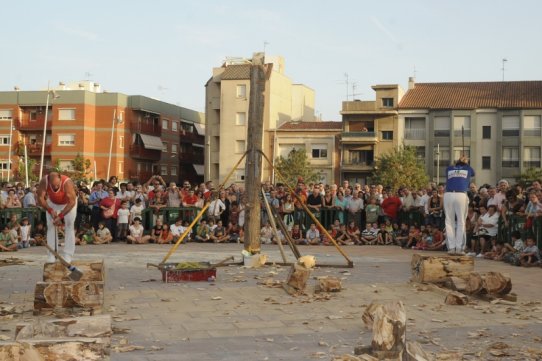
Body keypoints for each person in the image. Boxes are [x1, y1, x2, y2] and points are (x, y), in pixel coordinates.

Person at [37, 171, 77, 263]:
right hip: (52, 202)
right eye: (53, 185)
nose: (55, 187)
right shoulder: (44, 181)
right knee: (50, 225)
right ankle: (52, 254)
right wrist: (50, 210)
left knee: (69, 225)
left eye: (57, 185)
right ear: (49, 180)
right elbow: (40, 198)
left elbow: (72, 202)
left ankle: (67, 254)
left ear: (60, 178)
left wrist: (61, 216)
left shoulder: (67, 182)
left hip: (68, 203)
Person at [443, 155, 475, 255]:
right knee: (461, 221)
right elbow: (473, 173)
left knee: (449, 221)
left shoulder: (449, 168)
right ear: (465, 162)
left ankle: (451, 248)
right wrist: (465, 163)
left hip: (448, 194)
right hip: (461, 194)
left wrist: (460, 162)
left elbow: (450, 170)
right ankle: (459, 248)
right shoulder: (467, 168)